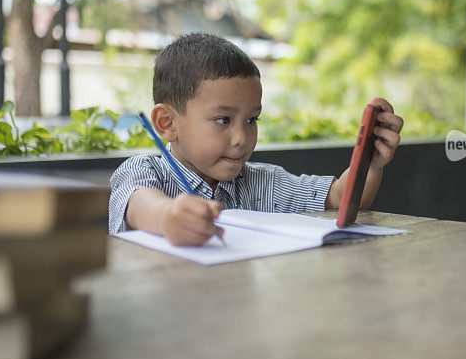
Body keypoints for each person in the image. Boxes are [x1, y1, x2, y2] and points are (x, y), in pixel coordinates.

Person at [108, 33, 403, 246]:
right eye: (223, 120)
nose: (241, 138)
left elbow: (341, 199)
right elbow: (139, 204)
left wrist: (371, 162)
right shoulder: (143, 171)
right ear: (167, 123)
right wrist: (169, 216)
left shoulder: (262, 183)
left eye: (252, 120)